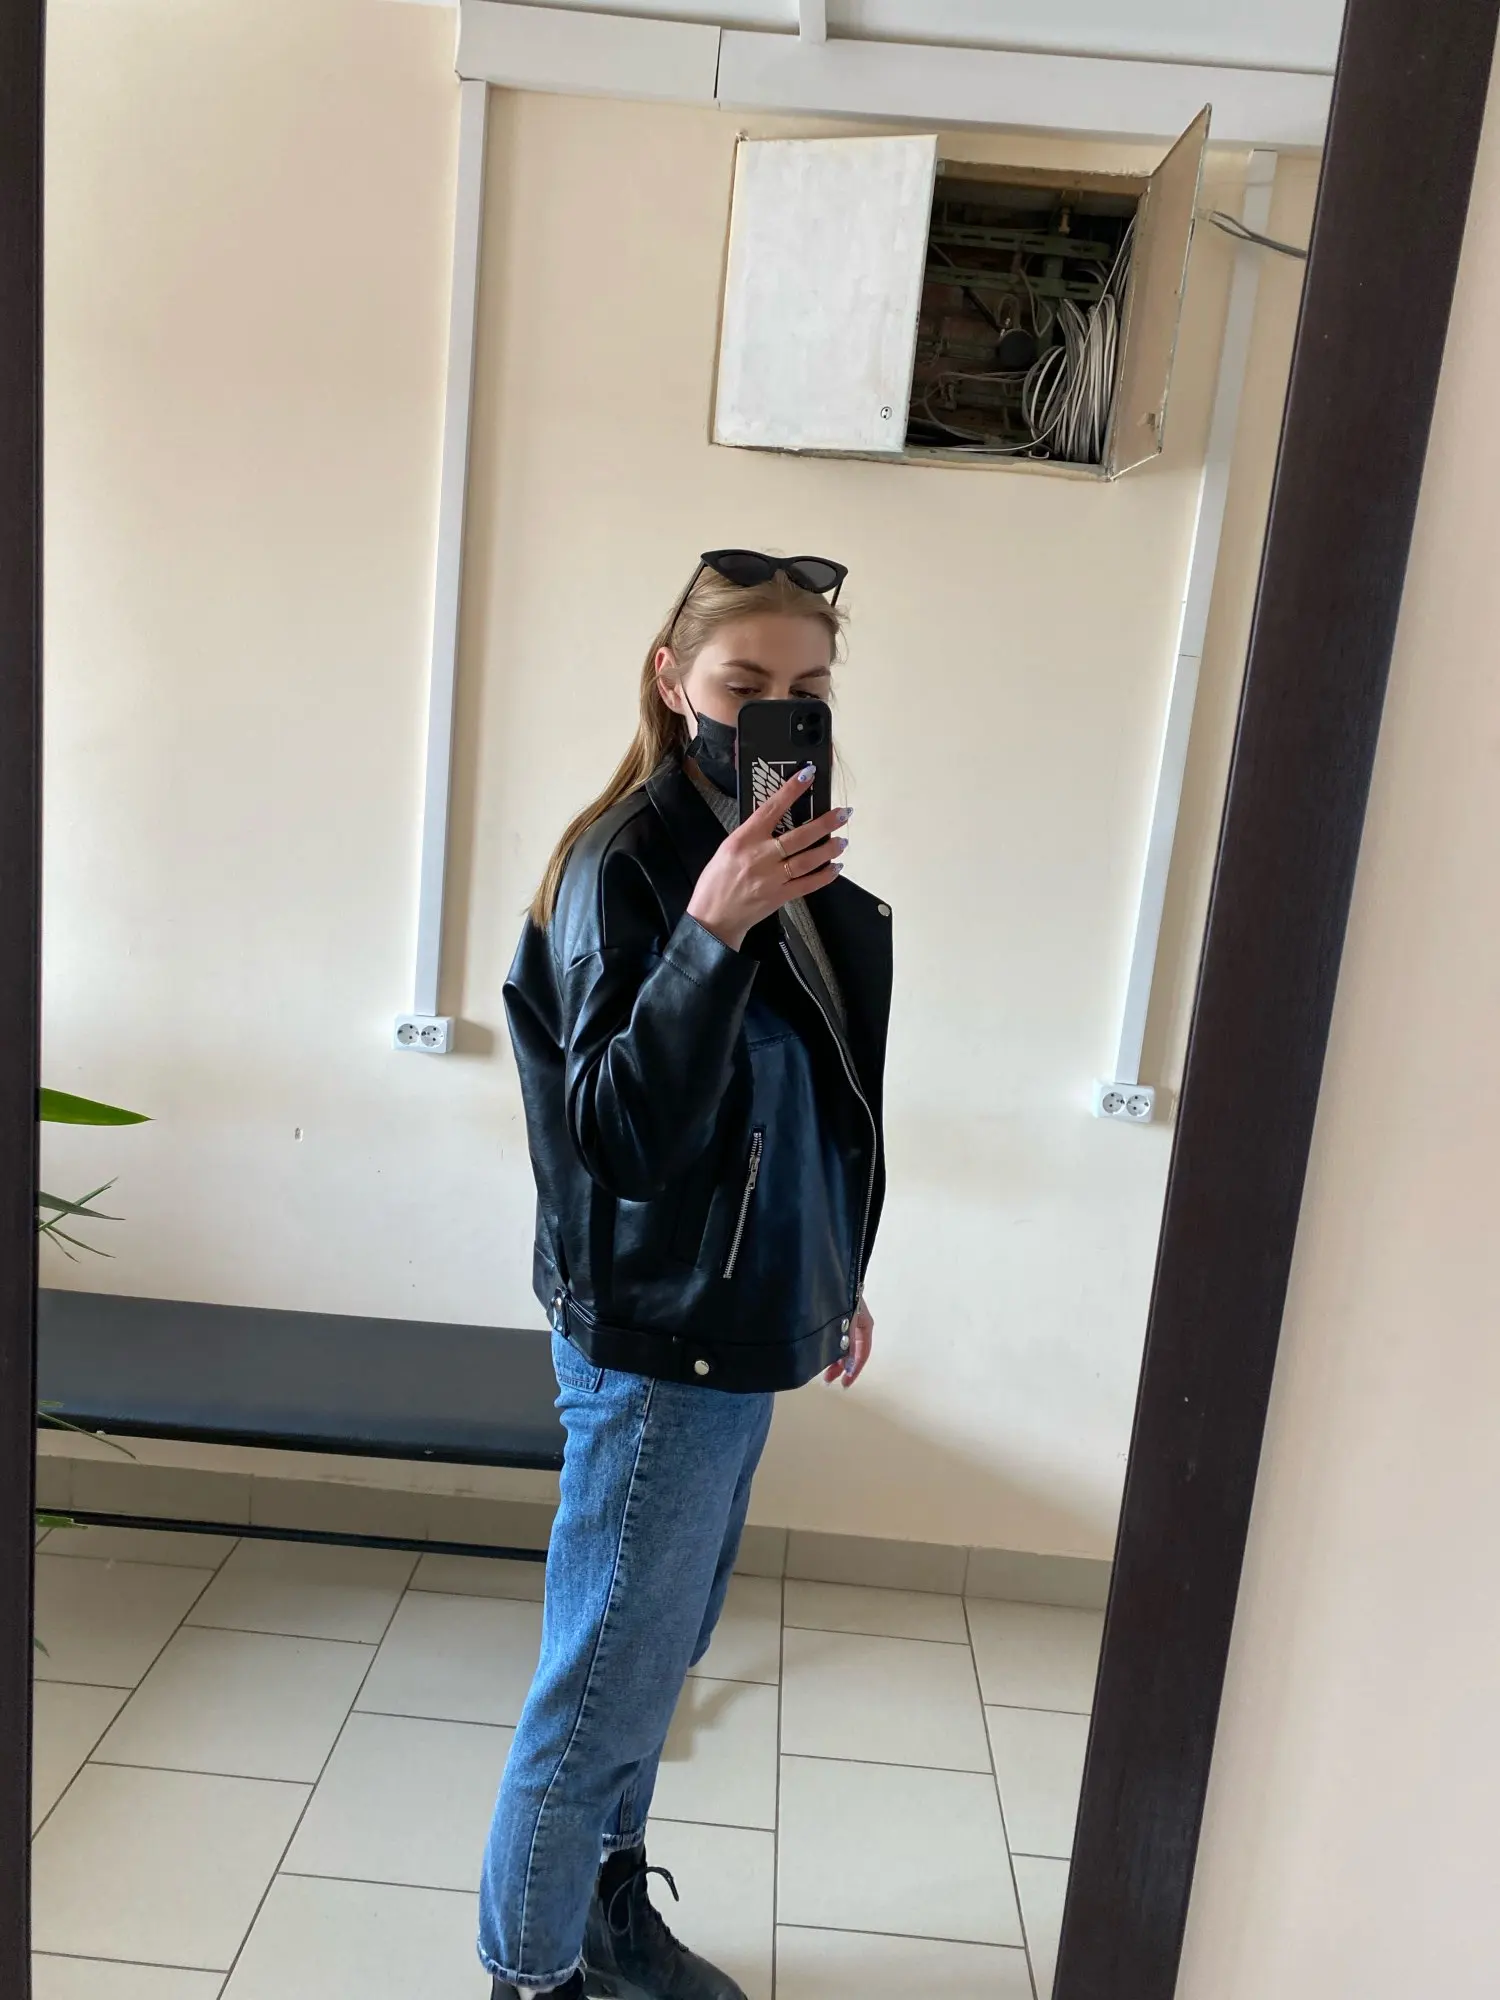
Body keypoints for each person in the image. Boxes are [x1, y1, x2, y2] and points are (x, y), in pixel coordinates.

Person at [479, 550, 893, 2000]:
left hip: (739, 1317)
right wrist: (710, 933)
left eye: (806, 686)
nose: (777, 708)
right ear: (672, 681)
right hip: (660, 1341)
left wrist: (829, 1271)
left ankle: (606, 1921)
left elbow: (809, 1100)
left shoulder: (774, 846)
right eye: (743, 681)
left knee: (653, 1662)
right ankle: (531, 1978)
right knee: (598, 1692)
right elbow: (621, 1142)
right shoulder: (636, 866)